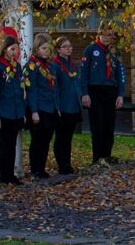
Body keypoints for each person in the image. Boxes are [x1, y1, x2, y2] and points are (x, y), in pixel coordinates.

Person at [80, 25, 126, 163]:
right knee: (97, 126)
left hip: (110, 91)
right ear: (99, 34)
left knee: (109, 126)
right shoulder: (90, 50)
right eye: (104, 34)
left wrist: (120, 94)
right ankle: (97, 158)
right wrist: (84, 93)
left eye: (110, 35)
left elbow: (121, 74)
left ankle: (107, 156)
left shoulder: (115, 51)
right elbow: (84, 73)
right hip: (95, 91)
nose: (107, 37)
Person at [0, 35, 25, 186]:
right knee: (5, 145)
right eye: (12, 49)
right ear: (4, 50)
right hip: (4, 113)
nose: (15, 52)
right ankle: (4, 176)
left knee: (12, 145)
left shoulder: (16, 67)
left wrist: (22, 112)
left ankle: (11, 174)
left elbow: (21, 90)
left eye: (17, 49)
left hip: (16, 112)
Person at [24, 33, 60, 179]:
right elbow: (31, 89)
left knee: (46, 139)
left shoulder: (50, 66)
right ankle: (35, 170)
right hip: (38, 108)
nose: (47, 51)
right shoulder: (31, 65)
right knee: (37, 140)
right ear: (37, 48)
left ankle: (42, 169)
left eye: (48, 48)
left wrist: (56, 107)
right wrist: (34, 111)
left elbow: (54, 88)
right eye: (44, 48)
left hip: (50, 107)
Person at [51, 37, 82, 175]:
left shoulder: (72, 65)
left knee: (68, 137)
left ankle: (67, 163)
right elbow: (55, 88)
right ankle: (62, 165)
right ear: (58, 49)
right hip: (62, 107)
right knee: (61, 137)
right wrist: (56, 107)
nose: (68, 48)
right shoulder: (55, 65)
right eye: (65, 46)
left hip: (73, 105)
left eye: (70, 46)